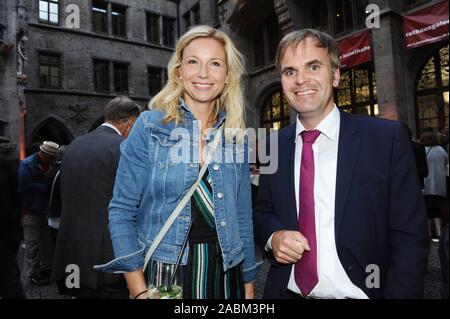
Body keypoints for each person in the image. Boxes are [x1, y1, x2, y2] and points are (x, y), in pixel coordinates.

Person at [253, 29, 429, 299]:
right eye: (289, 71)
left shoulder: (386, 139)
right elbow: (263, 211)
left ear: (335, 75)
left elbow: (409, 237)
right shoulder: (272, 146)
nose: (301, 80)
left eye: (313, 66)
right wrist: (273, 236)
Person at [96, 25, 259, 299]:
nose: (204, 73)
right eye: (193, 62)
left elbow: (242, 216)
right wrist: (138, 291)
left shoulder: (235, 136)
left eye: (215, 64)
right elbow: (122, 211)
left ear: (228, 76)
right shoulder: (150, 127)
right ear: (179, 71)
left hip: (227, 274)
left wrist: (249, 286)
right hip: (166, 275)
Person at [52, 96, 140, 299]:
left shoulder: (74, 145)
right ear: (131, 122)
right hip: (108, 257)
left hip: (72, 253)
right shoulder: (124, 148)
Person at [18, 141, 59, 286]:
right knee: (32, 244)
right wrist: (46, 183)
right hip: (30, 211)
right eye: (50, 157)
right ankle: (32, 273)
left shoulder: (50, 164)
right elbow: (24, 188)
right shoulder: (27, 165)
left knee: (46, 242)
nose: (52, 160)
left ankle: (47, 269)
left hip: (44, 210)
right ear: (43, 154)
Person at [0, 156, 25, 298]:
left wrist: (14, 226)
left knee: (10, 281)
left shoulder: (5, 165)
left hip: (4, 234)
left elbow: (16, 196)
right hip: (7, 231)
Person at [420, 131, 449, 241]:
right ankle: (439, 232)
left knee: (427, 210)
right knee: (437, 209)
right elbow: (446, 162)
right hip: (439, 184)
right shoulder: (441, 150)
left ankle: (428, 233)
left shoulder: (422, 150)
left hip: (426, 185)